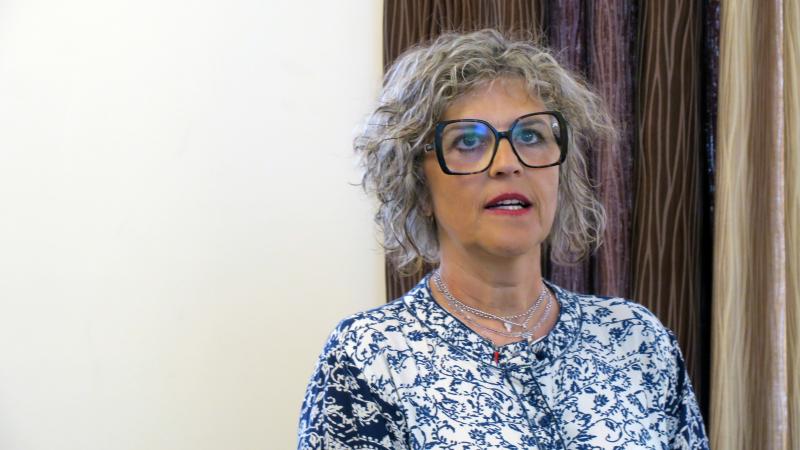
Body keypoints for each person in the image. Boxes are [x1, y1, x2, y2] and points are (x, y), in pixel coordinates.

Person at [298, 29, 709, 449]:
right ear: (418, 186)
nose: (508, 164)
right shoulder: (371, 355)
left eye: (531, 136)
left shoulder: (637, 338)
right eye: (469, 141)